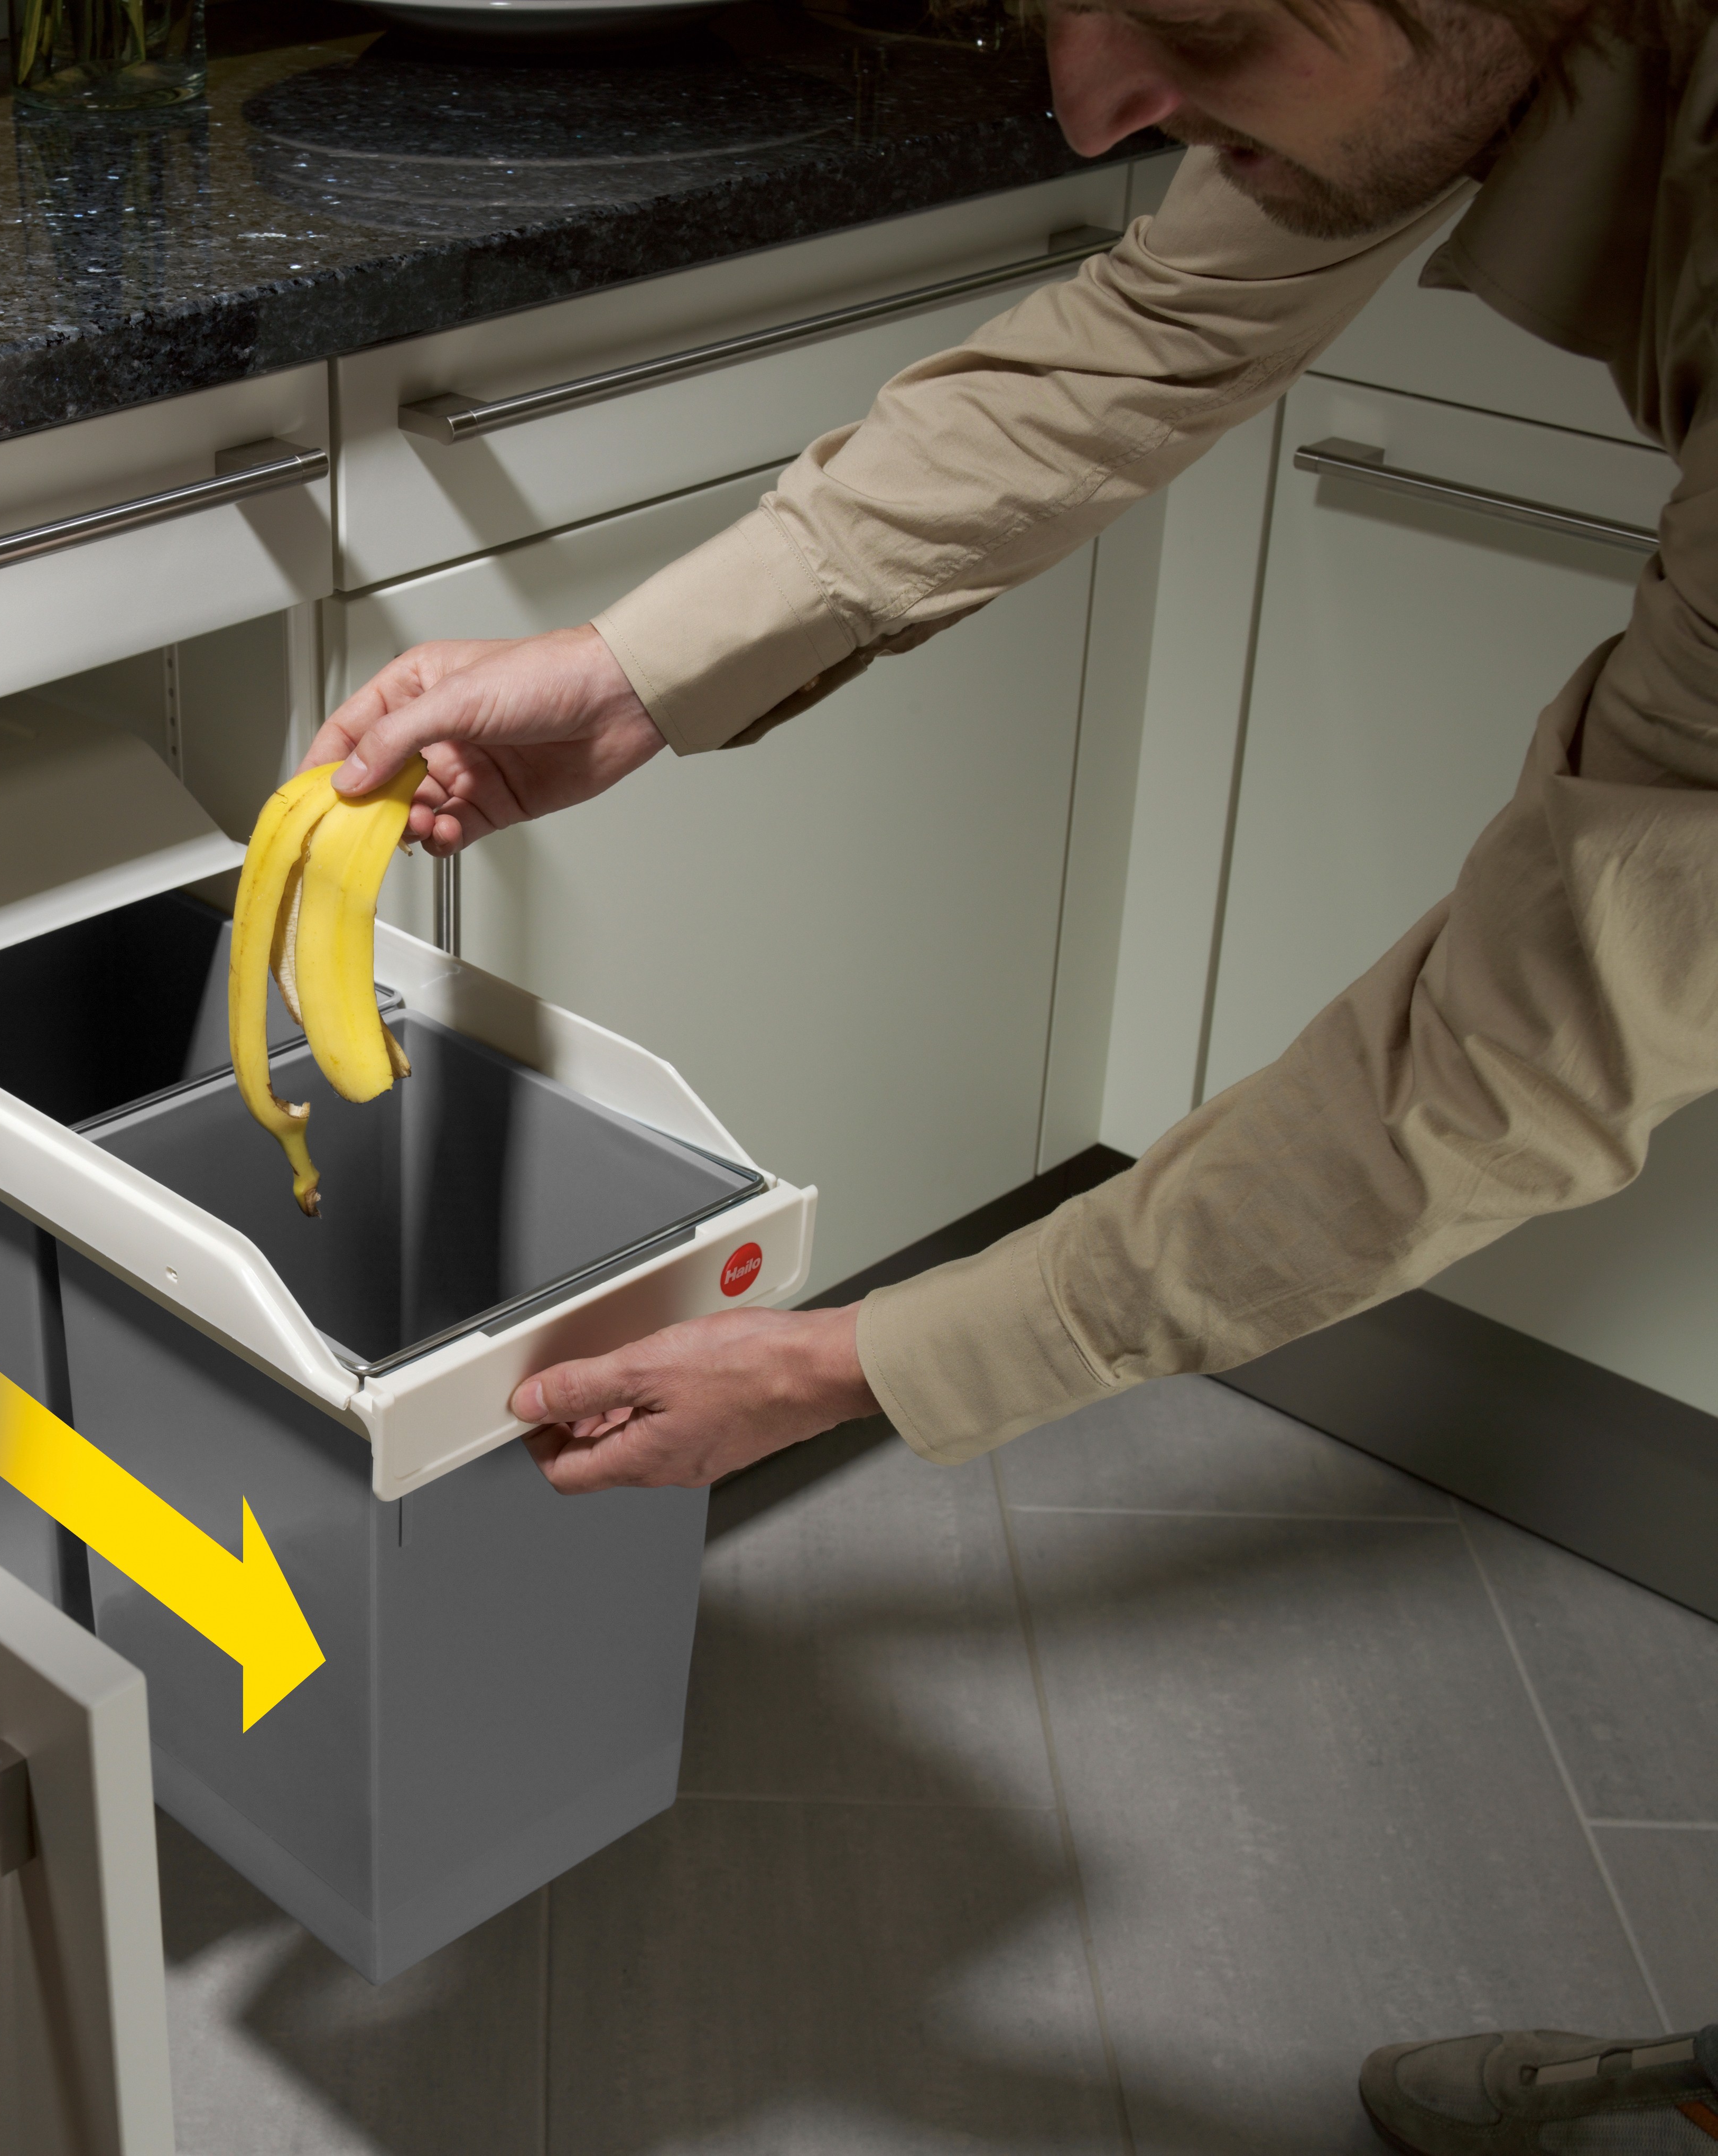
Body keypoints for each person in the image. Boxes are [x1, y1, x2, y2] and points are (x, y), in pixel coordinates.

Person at [300, 0, 1718, 2144]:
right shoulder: (1428, 60)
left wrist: (847, 1363)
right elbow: (1140, 340)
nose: (1091, 108)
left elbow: (1505, 1065)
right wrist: (631, 673)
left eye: (1200, 20)